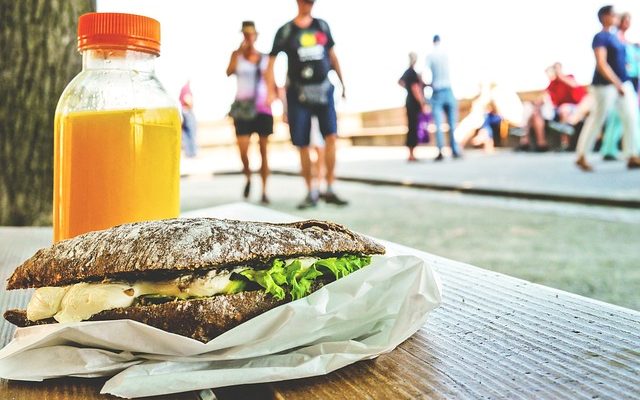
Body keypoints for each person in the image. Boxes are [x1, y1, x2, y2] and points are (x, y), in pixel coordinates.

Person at [265, 0, 348, 209]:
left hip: (323, 89)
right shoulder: (286, 31)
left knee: (331, 136)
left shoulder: (321, 26)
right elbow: (271, 63)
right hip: (297, 93)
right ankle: (311, 190)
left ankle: (329, 187)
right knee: (302, 143)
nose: (308, 4)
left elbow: (333, 56)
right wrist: (272, 90)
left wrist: (343, 83)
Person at [575, 5, 640, 171]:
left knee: (631, 117)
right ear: (605, 16)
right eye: (613, 14)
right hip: (606, 86)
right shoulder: (601, 37)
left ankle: (632, 154)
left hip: (623, 84)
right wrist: (616, 82)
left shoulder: (615, 37)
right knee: (598, 118)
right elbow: (601, 64)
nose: (616, 17)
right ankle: (582, 155)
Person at [226, 21, 274, 204]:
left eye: (251, 34)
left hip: (262, 107)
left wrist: (275, 98)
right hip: (243, 107)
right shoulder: (236, 55)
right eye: (245, 34)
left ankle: (264, 191)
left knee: (264, 150)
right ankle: (247, 176)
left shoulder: (265, 57)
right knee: (243, 149)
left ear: (256, 35)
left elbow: (271, 80)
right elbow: (228, 72)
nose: (248, 37)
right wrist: (239, 50)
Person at [600, 12, 640, 160]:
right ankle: (631, 152)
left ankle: (611, 149)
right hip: (622, 81)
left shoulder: (627, 41)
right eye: (625, 20)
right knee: (628, 116)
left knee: (623, 116)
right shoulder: (614, 38)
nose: (628, 23)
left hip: (632, 80)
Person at [425, 35, 461, 161]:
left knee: (439, 124)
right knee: (452, 123)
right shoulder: (446, 53)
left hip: (437, 91)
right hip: (449, 89)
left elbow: (425, 74)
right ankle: (455, 150)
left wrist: (428, 85)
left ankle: (440, 151)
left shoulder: (430, 55)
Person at [398, 52, 428, 161]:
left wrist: (407, 88)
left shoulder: (407, 72)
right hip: (414, 103)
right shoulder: (412, 72)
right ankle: (411, 154)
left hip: (408, 101)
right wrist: (422, 103)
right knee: (413, 127)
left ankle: (410, 154)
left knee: (411, 127)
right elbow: (416, 89)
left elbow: (400, 82)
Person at [179, 80, 198, 158]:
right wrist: (191, 106)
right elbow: (187, 99)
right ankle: (192, 153)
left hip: (183, 110)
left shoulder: (183, 88)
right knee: (191, 132)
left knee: (186, 133)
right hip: (187, 111)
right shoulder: (187, 88)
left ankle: (188, 153)